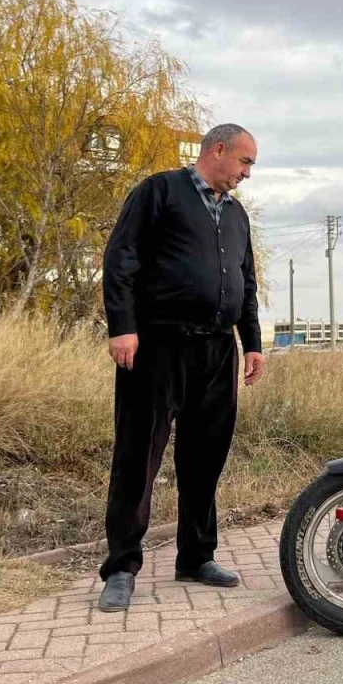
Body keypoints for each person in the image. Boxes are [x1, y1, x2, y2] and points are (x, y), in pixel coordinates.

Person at [96, 123, 266, 612]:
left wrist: (251, 343)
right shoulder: (160, 191)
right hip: (157, 345)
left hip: (217, 351)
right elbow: (121, 258)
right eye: (245, 161)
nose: (247, 174)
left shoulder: (236, 215)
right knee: (138, 455)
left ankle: (195, 555)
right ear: (218, 150)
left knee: (205, 457)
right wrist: (122, 326)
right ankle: (121, 567)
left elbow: (246, 282)